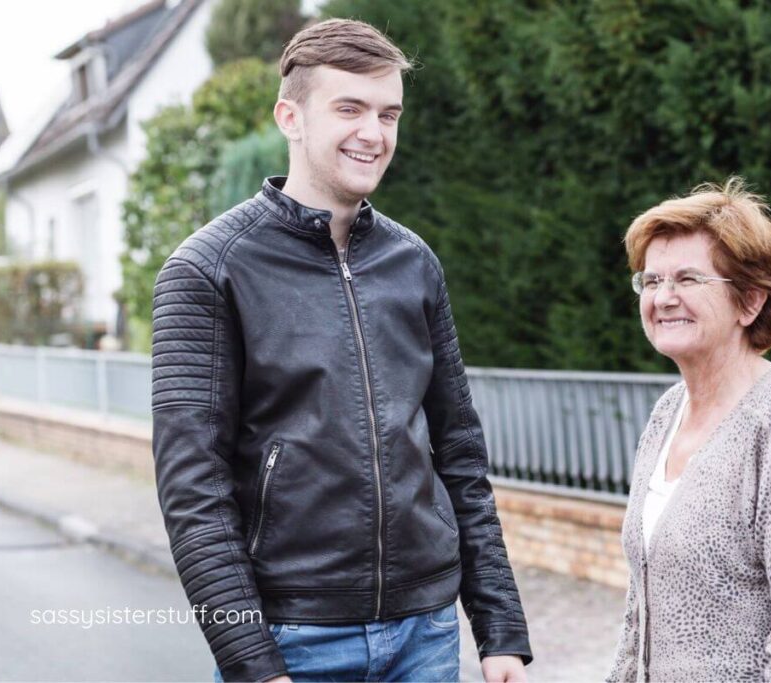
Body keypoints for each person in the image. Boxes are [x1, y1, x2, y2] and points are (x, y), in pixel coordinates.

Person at [150, 18, 531, 683]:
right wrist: (253, 664)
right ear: (290, 116)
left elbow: (460, 454)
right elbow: (194, 491)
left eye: (389, 114)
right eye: (349, 108)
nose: (374, 133)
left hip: (426, 634)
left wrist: (500, 632)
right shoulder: (209, 270)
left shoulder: (413, 263)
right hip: (294, 639)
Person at [606, 178, 771, 681]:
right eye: (651, 281)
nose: (664, 298)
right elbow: (639, 618)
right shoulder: (668, 411)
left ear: (750, 301)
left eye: (688, 280)